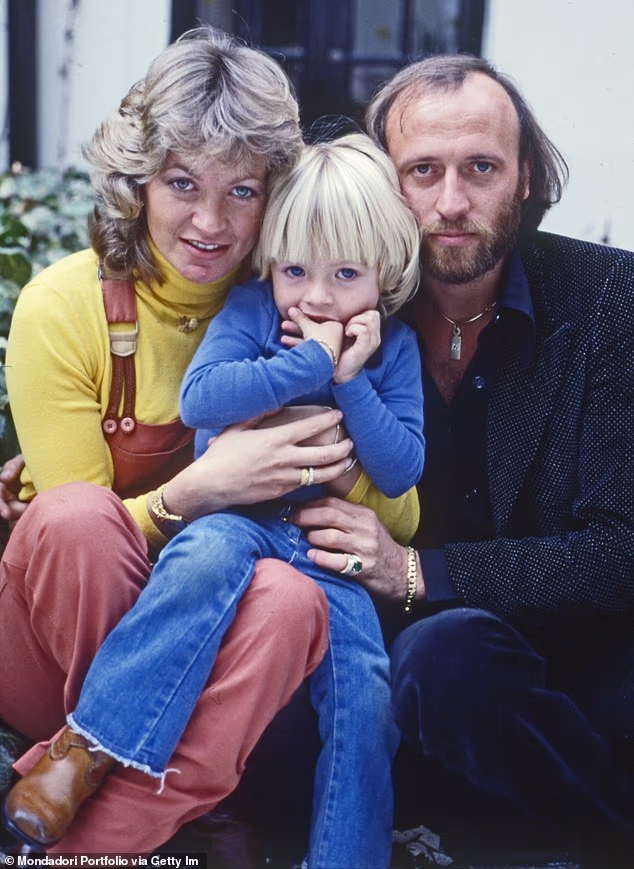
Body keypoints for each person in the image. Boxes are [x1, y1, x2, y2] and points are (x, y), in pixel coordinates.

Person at [0, 26, 418, 857]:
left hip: (232, 653)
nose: (209, 221)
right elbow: (75, 543)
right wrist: (206, 485)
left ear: (277, 197)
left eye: (243, 191)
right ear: (138, 182)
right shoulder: (68, 307)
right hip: (67, 640)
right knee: (83, 517)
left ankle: (97, 839)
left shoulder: (288, 291)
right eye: (181, 183)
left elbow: (399, 503)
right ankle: (138, 790)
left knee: (295, 600)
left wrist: (345, 390)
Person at [249, 54, 632, 869]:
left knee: (450, 654)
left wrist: (419, 571)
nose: (451, 203)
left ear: (525, 176)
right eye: (422, 170)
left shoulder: (610, 299)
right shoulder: (334, 300)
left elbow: (620, 551)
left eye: (481, 168)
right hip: (388, 688)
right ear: (385, 183)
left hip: (568, 697)